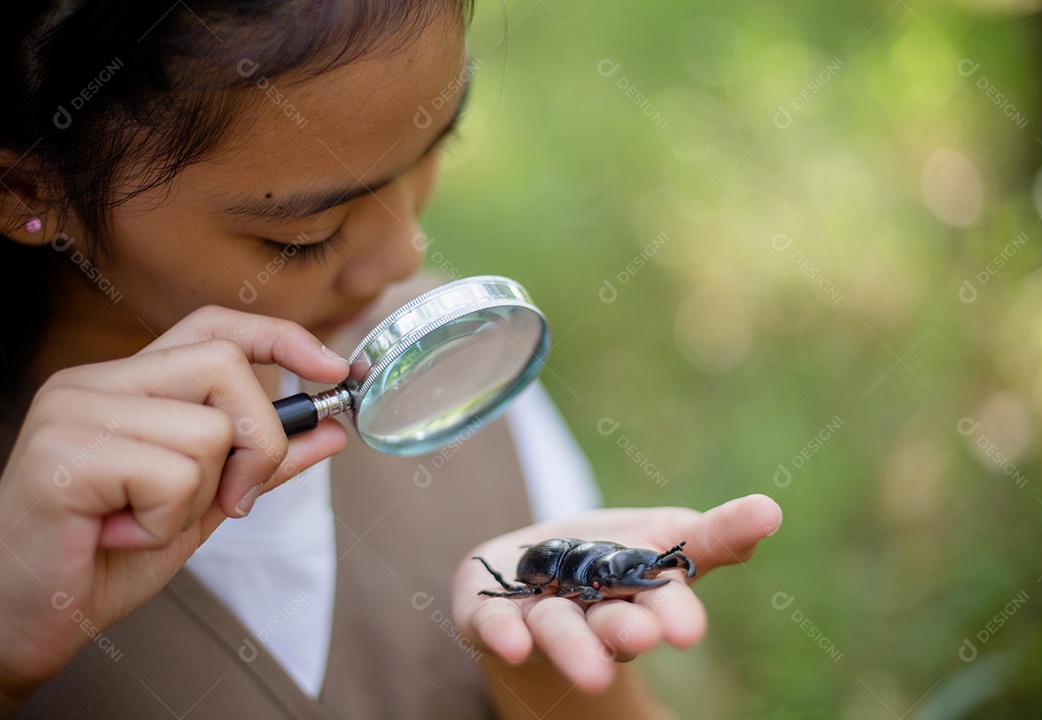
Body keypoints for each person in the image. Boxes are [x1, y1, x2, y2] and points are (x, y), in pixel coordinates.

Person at [0, 1, 782, 717]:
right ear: (28, 188)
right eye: (302, 236)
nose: (407, 255)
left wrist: (549, 672)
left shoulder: (460, 368)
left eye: (437, 142)